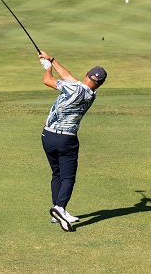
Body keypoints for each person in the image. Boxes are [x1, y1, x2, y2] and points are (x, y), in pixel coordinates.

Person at [36, 49, 107, 232]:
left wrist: (47, 67)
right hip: (67, 140)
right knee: (68, 177)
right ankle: (59, 208)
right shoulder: (91, 95)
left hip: (48, 136)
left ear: (86, 75)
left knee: (57, 174)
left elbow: (47, 80)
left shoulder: (74, 88)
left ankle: (58, 211)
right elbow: (69, 79)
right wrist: (51, 60)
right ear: (99, 84)